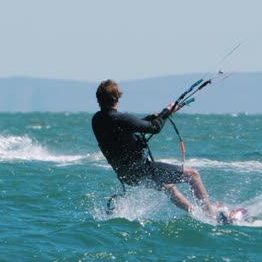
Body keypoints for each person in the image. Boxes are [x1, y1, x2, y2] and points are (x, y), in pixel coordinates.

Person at [91, 79, 218, 219]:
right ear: (117, 98)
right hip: (141, 170)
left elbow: (130, 125)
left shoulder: (97, 119)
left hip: (126, 174)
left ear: (99, 99)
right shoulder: (120, 119)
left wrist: (156, 116)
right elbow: (154, 128)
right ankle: (212, 217)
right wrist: (166, 113)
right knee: (192, 175)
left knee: (169, 187)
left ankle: (196, 213)